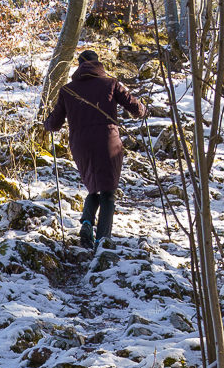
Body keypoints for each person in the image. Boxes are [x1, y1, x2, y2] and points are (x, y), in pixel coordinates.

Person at [42, 48, 146, 248]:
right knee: (108, 191)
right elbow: (134, 107)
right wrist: (143, 109)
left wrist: (46, 122)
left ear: (79, 65)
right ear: (99, 64)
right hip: (108, 142)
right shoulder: (110, 84)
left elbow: (54, 124)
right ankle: (102, 240)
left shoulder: (68, 90)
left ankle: (87, 223)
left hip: (81, 145)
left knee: (93, 186)